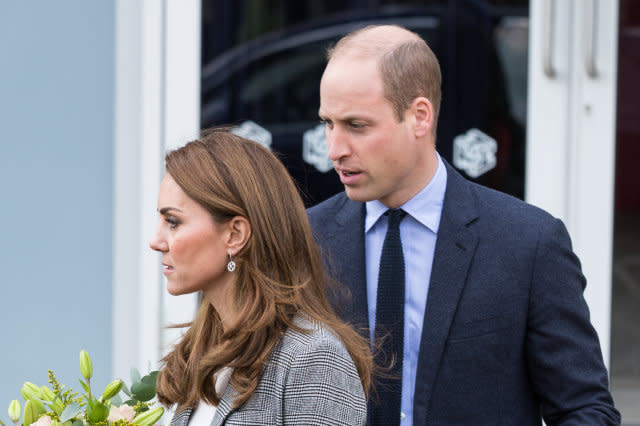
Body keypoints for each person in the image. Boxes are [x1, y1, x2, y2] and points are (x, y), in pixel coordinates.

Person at [308, 24, 620, 425]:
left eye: (356, 125)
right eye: (327, 123)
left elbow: (586, 410)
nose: (335, 149)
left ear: (419, 116)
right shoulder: (306, 240)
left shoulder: (528, 243)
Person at [149, 128, 372, 425]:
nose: (156, 241)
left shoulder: (313, 357)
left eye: (173, 222)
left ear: (235, 234)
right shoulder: (202, 352)